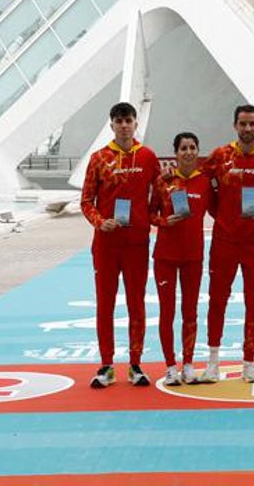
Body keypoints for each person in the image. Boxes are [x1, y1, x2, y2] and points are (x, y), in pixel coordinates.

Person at [200, 104, 254, 383]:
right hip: (224, 241)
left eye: (252, 124)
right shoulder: (220, 156)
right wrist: (220, 216)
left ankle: (249, 361)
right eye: (243, 124)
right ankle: (212, 360)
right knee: (217, 300)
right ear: (235, 125)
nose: (247, 129)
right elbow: (204, 188)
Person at [80, 101, 160, 389]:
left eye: (128, 120)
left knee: (136, 304)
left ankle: (136, 364)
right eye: (119, 121)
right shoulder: (99, 158)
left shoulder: (148, 157)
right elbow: (86, 201)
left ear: (136, 123)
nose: (124, 125)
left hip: (137, 243)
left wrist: (152, 219)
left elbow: (160, 195)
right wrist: (101, 222)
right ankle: (106, 365)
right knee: (105, 304)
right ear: (112, 125)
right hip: (106, 244)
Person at [151, 132, 212, 385]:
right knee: (167, 312)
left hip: (193, 256)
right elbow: (148, 214)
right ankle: (169, 366)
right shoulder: (163, 181)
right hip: (165, 256)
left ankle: (188, 364)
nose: (188, 152)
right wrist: (164, 221)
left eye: (192, 148)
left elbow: (221, 209)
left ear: (198, 152)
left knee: (190, 311)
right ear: (175, 153)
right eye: (183, 148)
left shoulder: (206, 182)